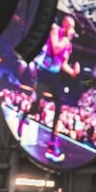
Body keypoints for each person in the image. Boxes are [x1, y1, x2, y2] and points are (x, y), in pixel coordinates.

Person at [23, 15, 81, 163]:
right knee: (36, 106)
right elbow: (55, 49)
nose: (71, 29)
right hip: (43, 72)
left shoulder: (69, 45)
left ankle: (52, 144)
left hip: (54, 75)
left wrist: (73, 72)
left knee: (59, 106)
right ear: (64, 24)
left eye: (72, 26)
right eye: (69, 25)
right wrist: (67, 39)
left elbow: (63, 64)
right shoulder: (55, 31)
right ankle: (24, 117)